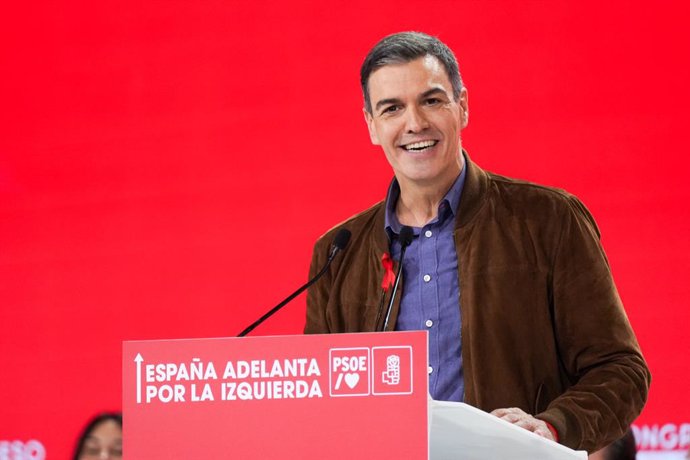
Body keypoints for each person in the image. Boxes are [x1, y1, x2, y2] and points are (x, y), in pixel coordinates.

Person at [305, 31, 650, 453]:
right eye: (392, 108)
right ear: (372, 126)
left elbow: (621, 370)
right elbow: (318, 401)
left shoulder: (548, 220)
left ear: (462, 107)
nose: (414, 122)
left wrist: (552, 426)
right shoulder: (337, 253)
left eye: (431, 100)